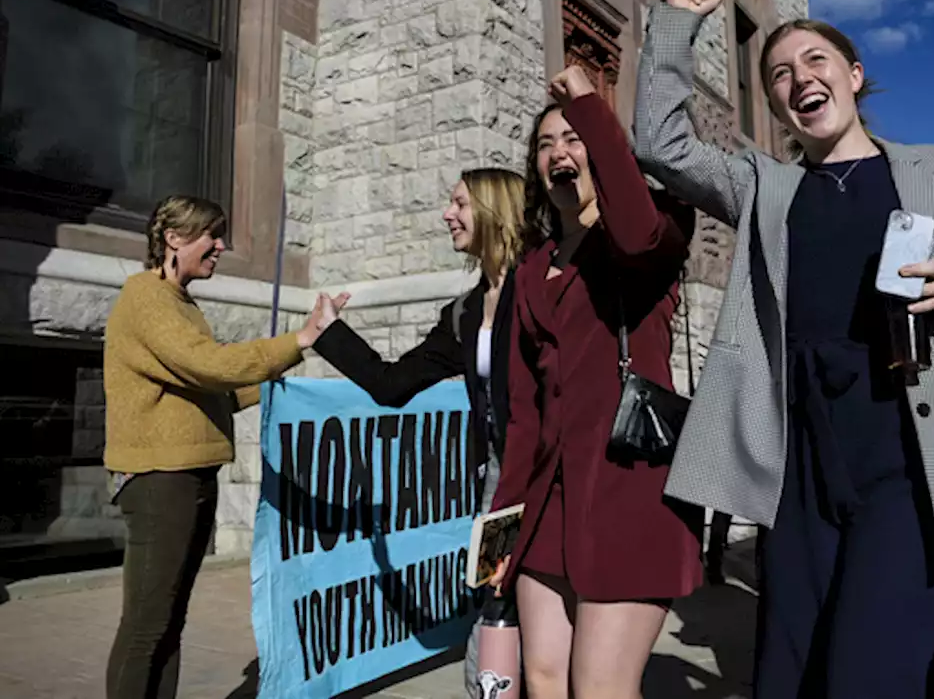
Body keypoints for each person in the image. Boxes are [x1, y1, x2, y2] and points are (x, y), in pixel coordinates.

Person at [634, 0, 934, 698]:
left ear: (854, 76)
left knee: (866, 672)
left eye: (816, 61)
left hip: (906, 454)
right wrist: (677, 23)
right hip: (801, 462)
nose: (800, 78)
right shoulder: (767, 187)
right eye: (780, 75)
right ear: (775, 105)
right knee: (790, 673)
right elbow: (661, 144)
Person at [488, 65, 702, 699]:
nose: (560, 152)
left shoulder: (649, 237)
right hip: (547, 507)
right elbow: (523, 416)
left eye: (573, 139)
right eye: (546, 144)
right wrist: (499, 530)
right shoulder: (529, 273)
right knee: (545, 678)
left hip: (629, 493)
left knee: (602, 688)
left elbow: (635, 227)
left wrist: (587, 104)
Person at [308, 166, 526, 692]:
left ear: (494, 210)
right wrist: (329, 333)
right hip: (499, 486)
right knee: (494, 606)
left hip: (550, 477)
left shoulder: (544, 288)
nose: (447, 214)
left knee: (545, 615)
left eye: (459, 204)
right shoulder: (465, 311)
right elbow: (391, 384)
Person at [103, 195, 327, 699]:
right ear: (174, 239)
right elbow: (211, 366)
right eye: (211, 234)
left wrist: (280, 371)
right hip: (161, 482)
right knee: (147, 625)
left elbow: (214, 389)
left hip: (191, 476)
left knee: (169, 620)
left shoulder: (181, 303)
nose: (221, 246)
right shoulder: (145, 298)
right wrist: (298, 340)